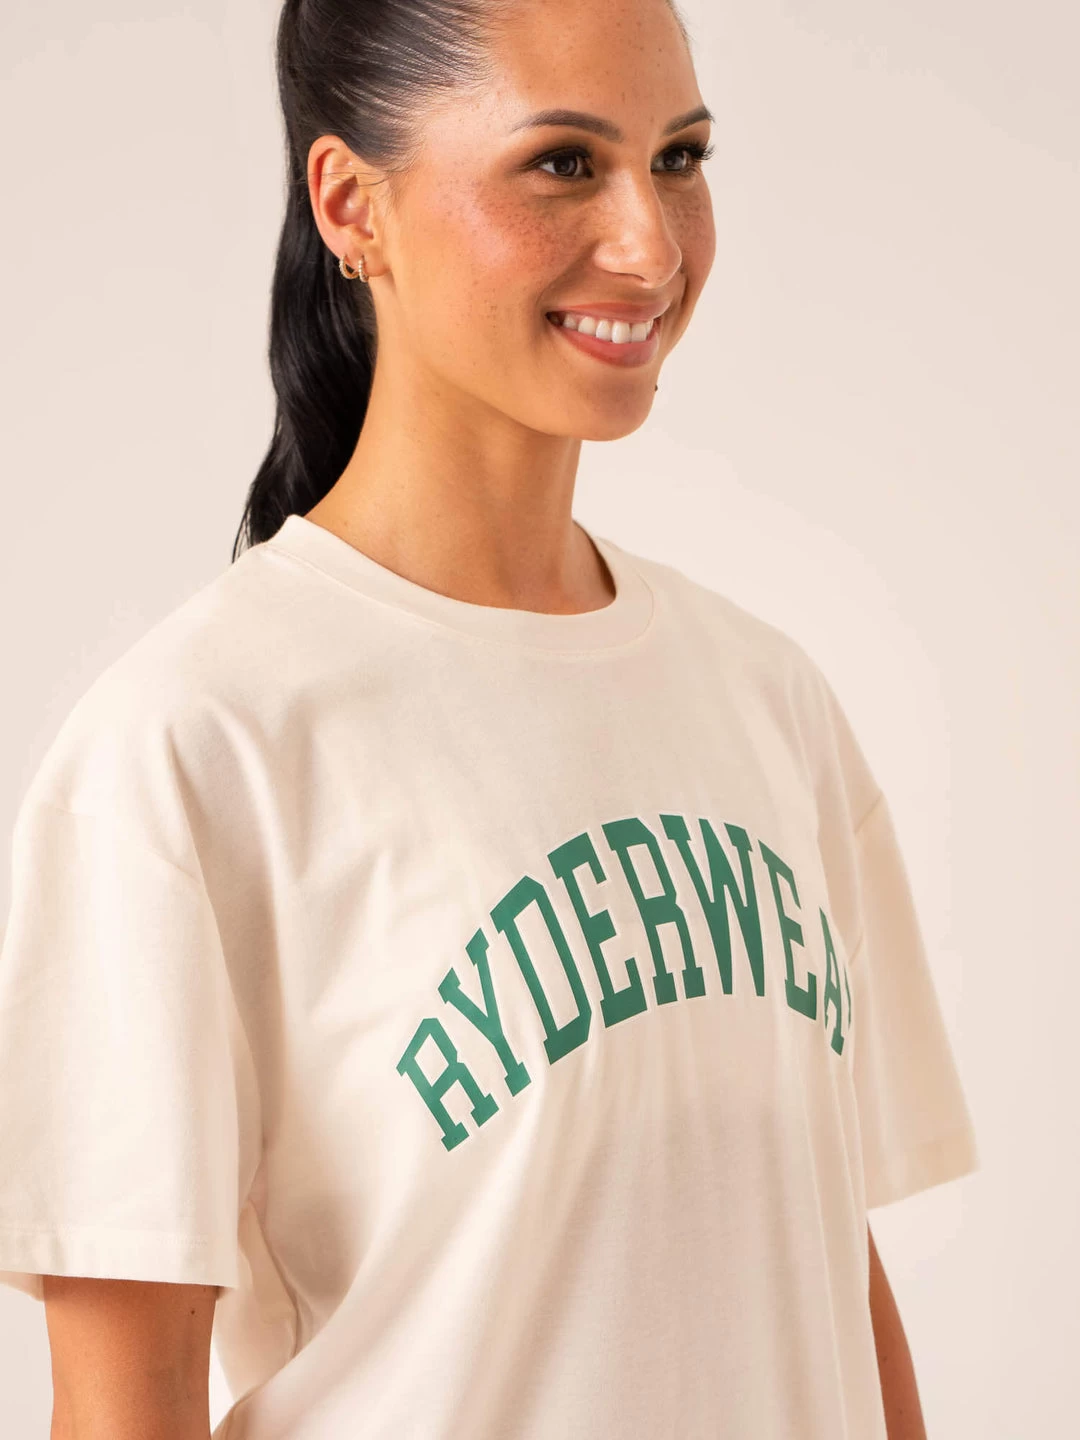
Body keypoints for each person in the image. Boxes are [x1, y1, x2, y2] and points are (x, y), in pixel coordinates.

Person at [0, 0, 980, 1436]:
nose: (651, 245)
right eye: (564, 164)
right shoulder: (192, 748)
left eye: (681, 157)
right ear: (354, 206)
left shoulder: (767, 700)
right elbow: (121, 1402)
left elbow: (824, 1269)